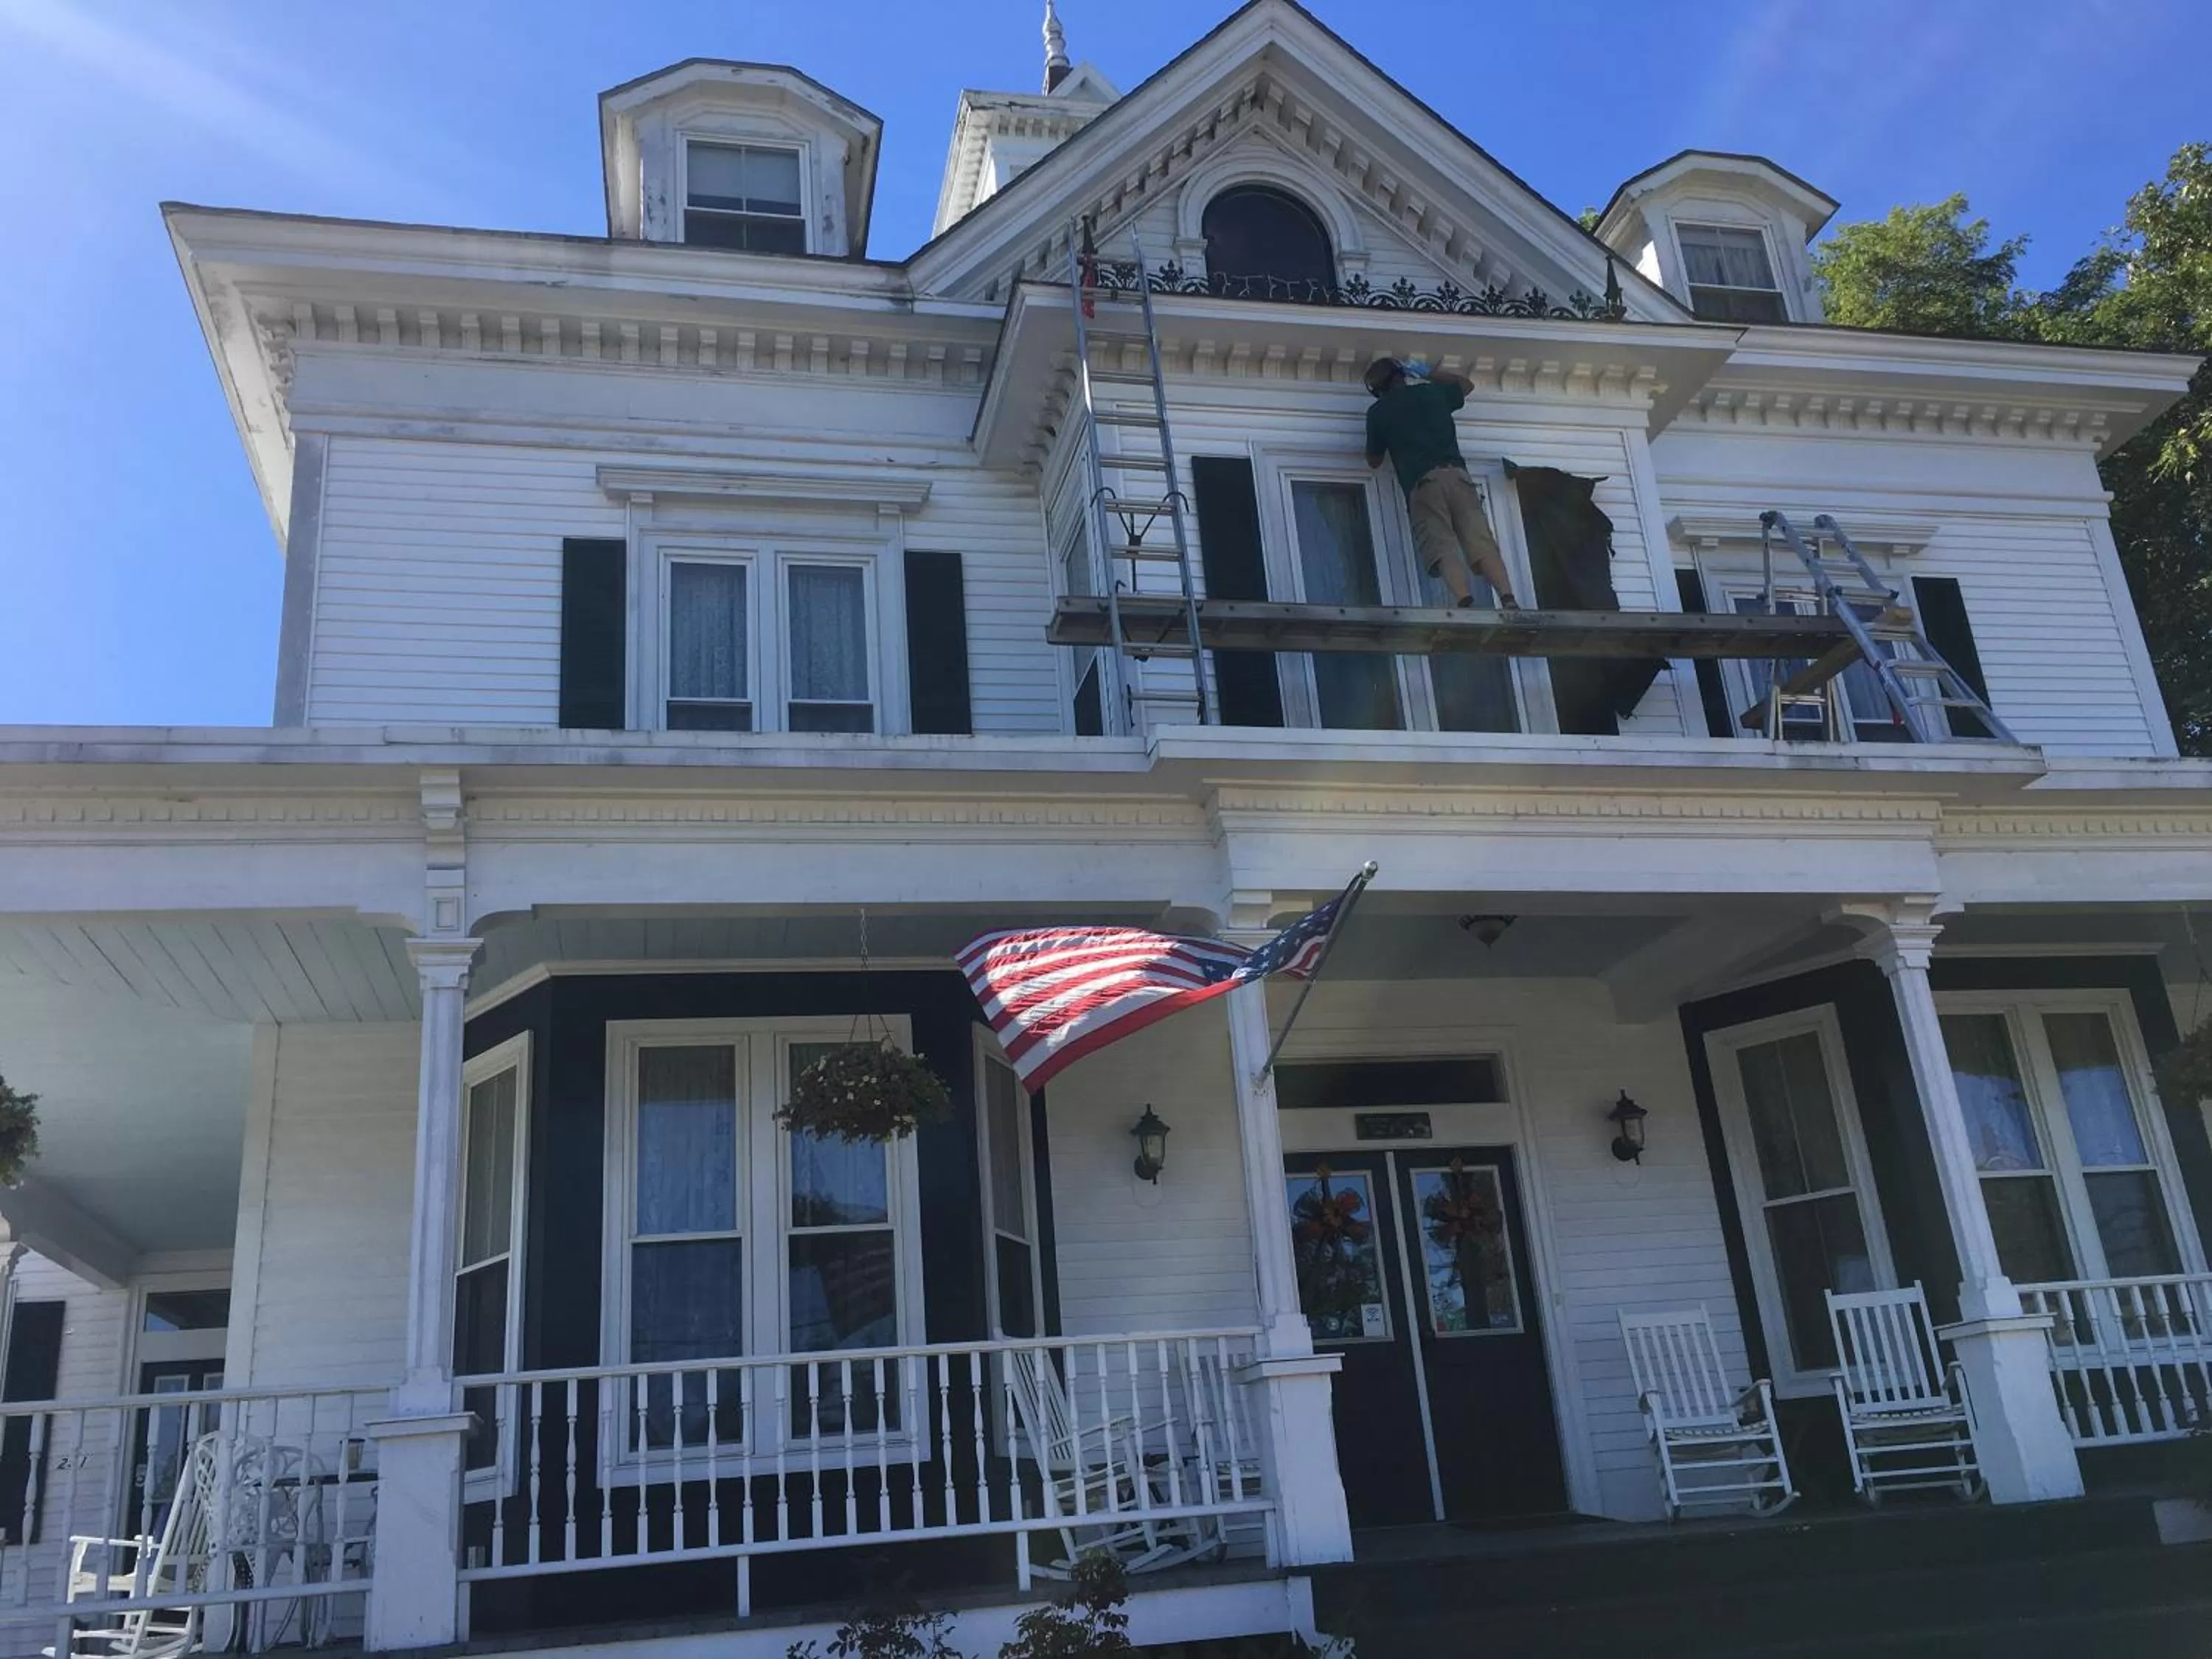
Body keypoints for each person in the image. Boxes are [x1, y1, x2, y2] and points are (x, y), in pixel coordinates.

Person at [1363, 357, 1521, 609]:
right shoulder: (1432, 393)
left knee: (1442, 544)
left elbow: (1374, 461)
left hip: (1424, 485)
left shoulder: (1379, 412)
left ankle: (1464, 600)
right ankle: (1507, 597)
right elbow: (1466, 386)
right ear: (1403, 375)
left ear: (1378, 388)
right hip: (1458, 477)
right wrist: (1430, 374)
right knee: (1480, 540)